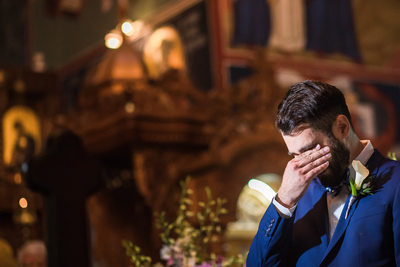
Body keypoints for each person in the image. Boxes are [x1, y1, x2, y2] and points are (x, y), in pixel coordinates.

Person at [246, 80, 400, 266]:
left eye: (310, 150)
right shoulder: (297, 195)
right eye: (295, 155)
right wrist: (284, 201)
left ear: (342, 127)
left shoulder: (395, 183)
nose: (303, 163)